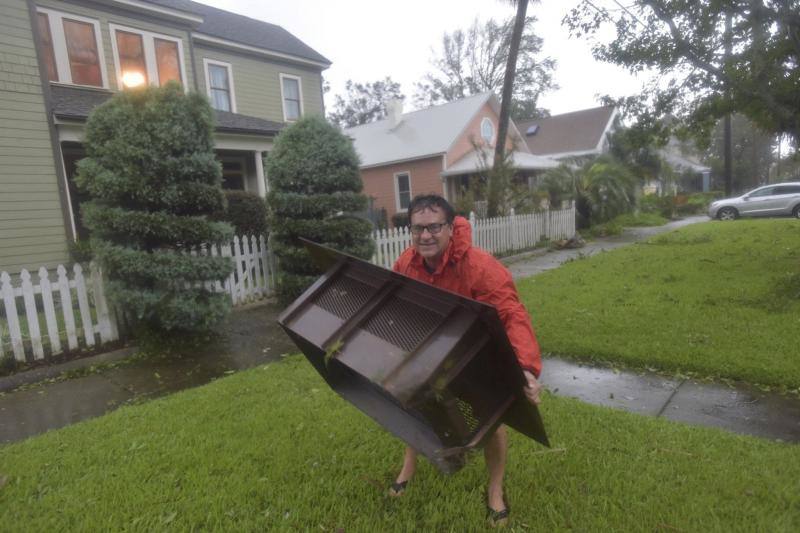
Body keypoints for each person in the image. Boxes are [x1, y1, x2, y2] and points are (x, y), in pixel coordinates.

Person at [388, 194, 543, 526]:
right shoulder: (406, 263)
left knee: (493, 422)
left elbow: (512, 316)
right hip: (432, 351)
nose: (425, 236)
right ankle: (409, 466)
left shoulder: (480, 266)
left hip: (478, 356)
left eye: (433, 227)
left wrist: (526, 369)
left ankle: (495, 490)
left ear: (450, 227)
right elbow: (398, 306)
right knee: (414, 401)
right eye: (418, 229)